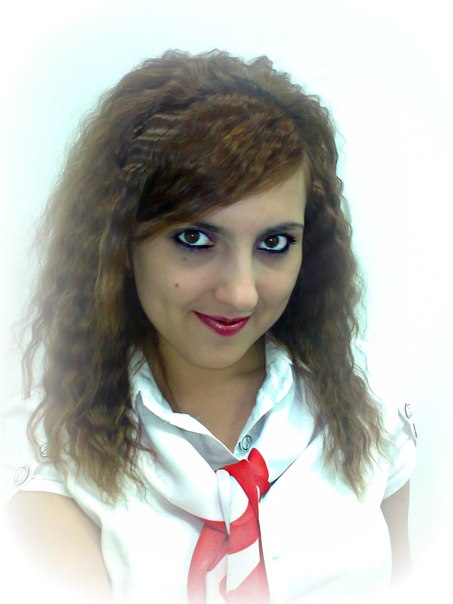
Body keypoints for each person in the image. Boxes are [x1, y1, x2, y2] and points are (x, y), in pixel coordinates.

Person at [0, 50, 417, 603]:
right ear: (120, 242)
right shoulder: (50, 443)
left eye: (274, 243)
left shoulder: (364, 393)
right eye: (195, 239)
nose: (241, 292)